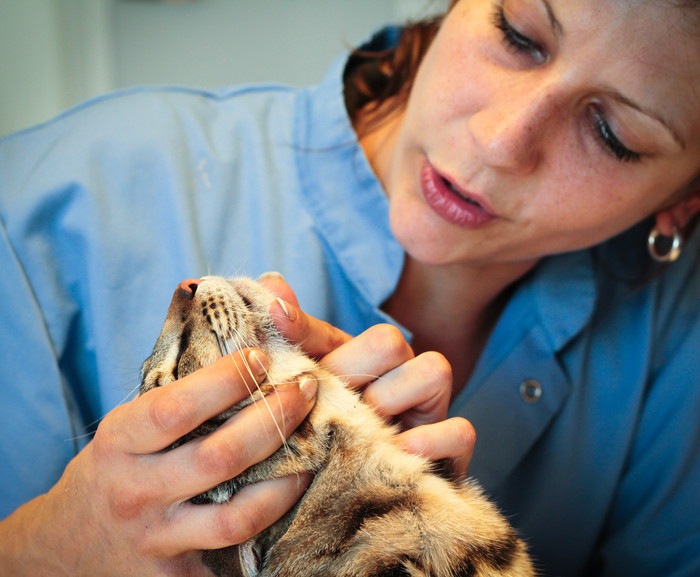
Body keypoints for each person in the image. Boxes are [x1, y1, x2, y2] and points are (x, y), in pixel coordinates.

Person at [0, 0, 698, 575]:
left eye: (611, 133)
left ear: (683, 202)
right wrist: (54, 547)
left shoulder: (676, 330)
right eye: (516, 34)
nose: (498, 140)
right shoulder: (53, 208)